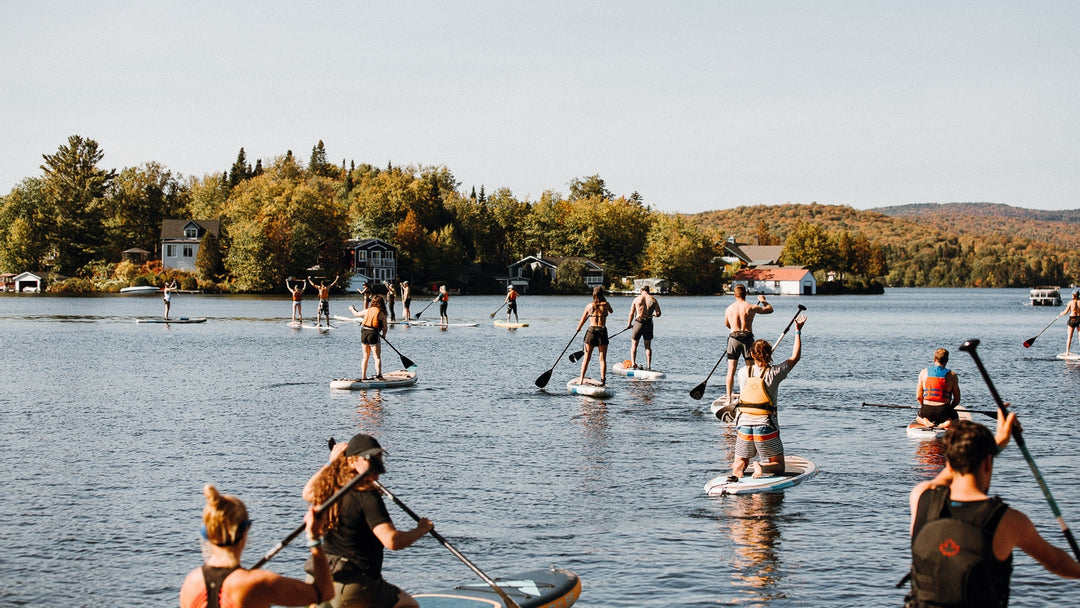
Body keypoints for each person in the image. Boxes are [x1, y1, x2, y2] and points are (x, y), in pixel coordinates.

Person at [905, 412, 1080, 606]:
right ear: (988, 462)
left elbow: (941, 480)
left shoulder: (921, 497)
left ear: (949, 462)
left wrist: (995, 445)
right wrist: (997, 444)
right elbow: (1057, 563)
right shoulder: (1008, 519)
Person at [303, 434, 433, 608]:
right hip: (354, 584)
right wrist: (421, 530)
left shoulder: (329, 488)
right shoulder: (367, 496)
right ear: (351, 462)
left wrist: (331, 463)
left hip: (319, 578)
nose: (376, 463)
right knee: (409, 605)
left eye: (378, 457)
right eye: (368, 458)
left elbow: (308, 492)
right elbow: (391, 541)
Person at [179, 484, 334, 608]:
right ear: (244, 533)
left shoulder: (191, 582)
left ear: (208, 534)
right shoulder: (257, 583)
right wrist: (314, 538)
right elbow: (324, 592)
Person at [728, 315, 806, 481]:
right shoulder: (775, 373)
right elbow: (795, 357)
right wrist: (798, 332)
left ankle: (740, 467)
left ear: (752, 354)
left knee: (741, 459)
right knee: (779, 466)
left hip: (743, 426)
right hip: (765, 427)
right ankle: (761, 466)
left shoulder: (743, 372)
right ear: (769, 354)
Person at [723, 285, 773, 405]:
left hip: (734, 338)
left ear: (735, 295)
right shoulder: (751, 307)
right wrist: (763, 301)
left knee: (731, 370)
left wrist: (734, 328)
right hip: (747, 338)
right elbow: (770, 309)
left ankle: (729, 399)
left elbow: (727, 325)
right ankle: (749, 395)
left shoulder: (729, 309)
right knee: (750, 369)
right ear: (746, 294)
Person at [575, 286, 614, 386]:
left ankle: (581, 379)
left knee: (587, 358)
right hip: (602, 331)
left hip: (591, 331)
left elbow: (583, 319)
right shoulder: (606, 305)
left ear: (593, 294)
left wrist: (578, 328)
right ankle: (603, 381)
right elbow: (611, 311)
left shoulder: (589, 306)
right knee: (602, 358)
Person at [915, 348, 961, 429]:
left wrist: (923, 406)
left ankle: (925, 421)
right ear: (947, 360)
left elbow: (919, 396)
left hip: (927, 409)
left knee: (918, 417)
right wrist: (950, 408)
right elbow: (957, 399)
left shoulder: (923, 372)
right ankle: (947, 422)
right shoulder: (952, 375)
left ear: (934, 359)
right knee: (956, 418)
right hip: (943, 410)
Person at [627, 285, 662, 370]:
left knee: (634, 344)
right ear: (648, 291)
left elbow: (631, 313)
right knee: (648, 346)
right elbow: (659, 313)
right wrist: (654, 315)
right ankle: (648, 366)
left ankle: (633, 363)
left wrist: (629, 324)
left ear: (641, 291)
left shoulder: (637, 299)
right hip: (648, 323)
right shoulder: (653, 300)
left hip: (638, 322)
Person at [360, 295, 388, 381]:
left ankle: (363, 376)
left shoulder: (367, 310)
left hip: (364, 332)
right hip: (373, 333)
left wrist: (351, 309)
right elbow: (385, 327)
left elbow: (356, 314)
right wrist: (384, 335)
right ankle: (379, 376)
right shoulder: (382, 313)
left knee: (365, 356)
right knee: (377, 357)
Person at [1059, 290, 1080, 355]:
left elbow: (1065, 312)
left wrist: (1061, 313)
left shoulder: (1070, 302)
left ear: (1073, 295)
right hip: (1079, 319)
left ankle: (1067, 352)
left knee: (1069, 336)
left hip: (1072, 320)